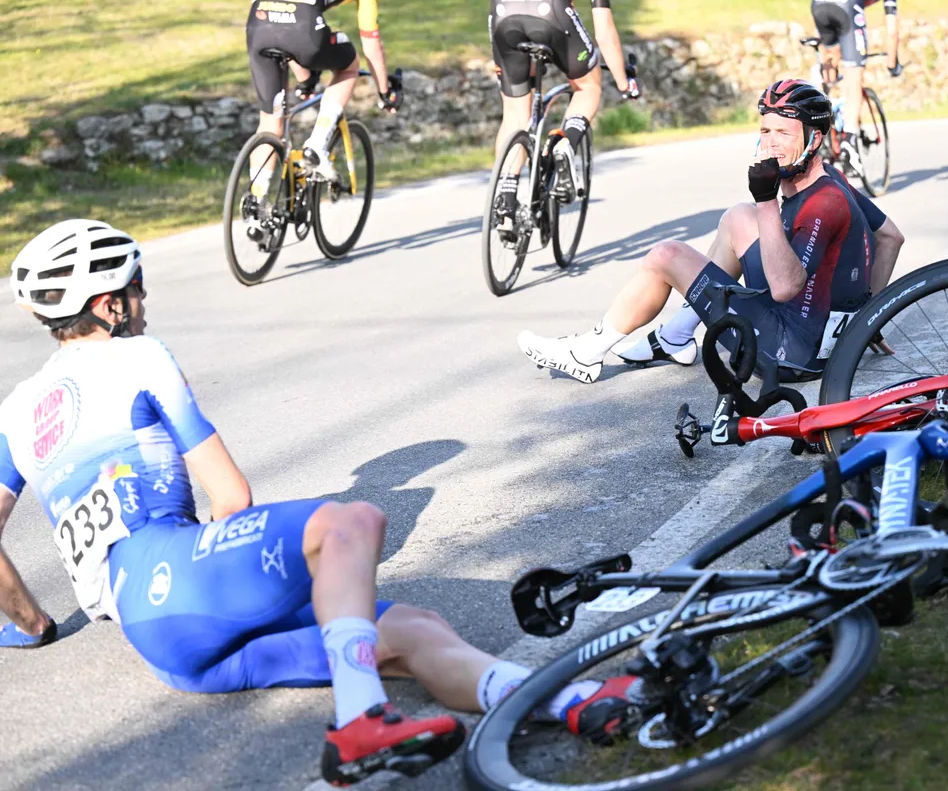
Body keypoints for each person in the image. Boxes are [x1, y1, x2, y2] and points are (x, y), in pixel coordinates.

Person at [0, 220, 638, 785]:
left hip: (162, 638)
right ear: (109, 304)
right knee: (348, 526)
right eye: (137, 290)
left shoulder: (17, 410)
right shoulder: (137, 356)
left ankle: (576, 703)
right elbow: (231, 497)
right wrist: (263, 571)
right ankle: (359, 723)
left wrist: (33, 625)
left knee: (412, 630)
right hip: (177, 573)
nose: (145, 303)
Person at [517, 80, 905, 384]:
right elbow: (891, 236)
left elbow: (786, 288)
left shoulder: (823, 203)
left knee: (667, 256)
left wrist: (767, 198)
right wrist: (865, 320)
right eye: (765, 130)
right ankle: (677, 336)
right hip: (815, 338)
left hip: (788, 355)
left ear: (814, 139)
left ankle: (587, 352)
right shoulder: (831, 178)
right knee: (739, 216)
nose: (769, 143)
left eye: (783, 134)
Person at [243, 0, 401, 239]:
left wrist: (305, 80)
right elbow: (371, 43)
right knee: (349, 65)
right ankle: (317, 146)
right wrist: (384, 91)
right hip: (300, 26)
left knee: (270, 123)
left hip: (259, 24)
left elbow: (286, 27)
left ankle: (257, 207)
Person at [490, 0, 639, 223]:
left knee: (515, 112)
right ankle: (565, 143)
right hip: (551, 12)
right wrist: (624, 82)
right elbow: (605, 34)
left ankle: (505, 197)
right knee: (588, 87)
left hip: (503, 14)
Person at [809, 0, 902, 173]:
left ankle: (825, 122)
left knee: (831, 61)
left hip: (819, 0)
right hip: (847, 3)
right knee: (854, 79)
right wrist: (893, 64)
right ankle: (849, 140)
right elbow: (892, 31)